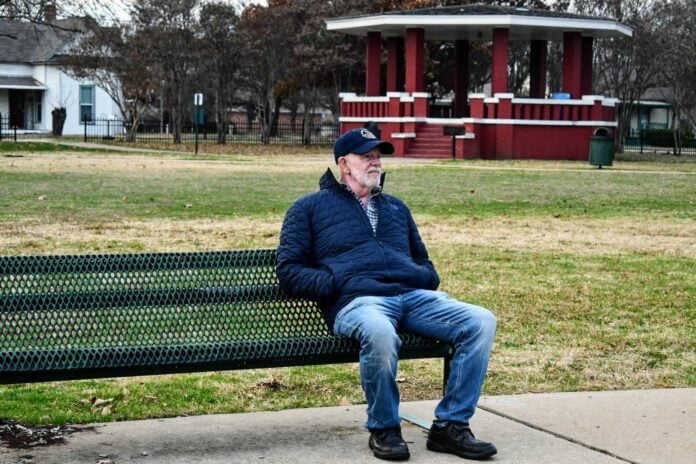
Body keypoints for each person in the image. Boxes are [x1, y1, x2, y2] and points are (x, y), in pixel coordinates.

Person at [277, 128, 497, 461]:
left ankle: (450, 427)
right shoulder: (309, 208)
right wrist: (336, 283)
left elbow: (424, 262)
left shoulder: (396, 208)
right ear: (344, 164)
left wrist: (423, 276)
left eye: (378, 156)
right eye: (367, 156)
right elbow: (289, 270)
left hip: (410, 296)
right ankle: (385, 428)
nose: (375, 163)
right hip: (359, 302)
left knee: (480, 321)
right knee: (380, 333)